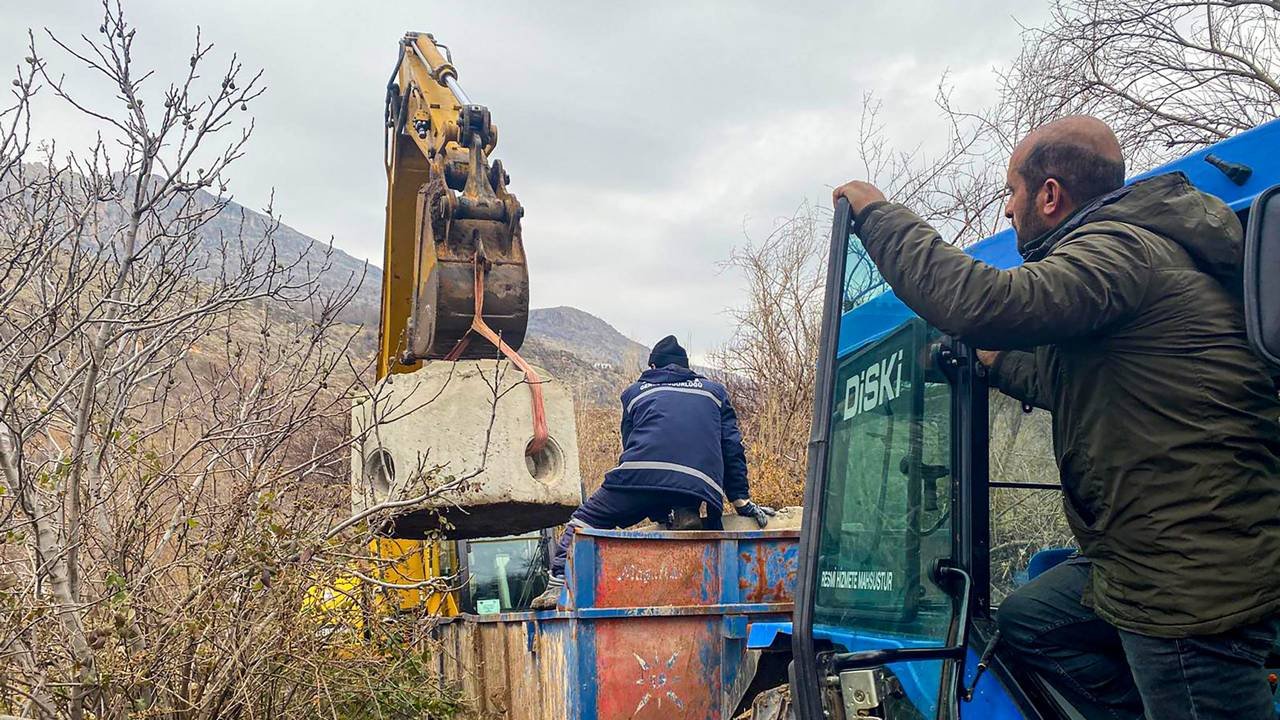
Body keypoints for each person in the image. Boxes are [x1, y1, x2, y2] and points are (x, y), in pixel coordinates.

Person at [833, 116, 1280, 719]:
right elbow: (1065, 377)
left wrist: (877, 214)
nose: (1008, 211)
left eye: (1011, 193)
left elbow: (980, 301)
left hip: (1186, 584)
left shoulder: (1122, 250)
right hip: (1138, 560)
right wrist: (989, 362)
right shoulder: (1136, 274)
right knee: (1030, 620)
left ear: (1049, 195)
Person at [530, 335, 776, 610]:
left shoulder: (635, 393)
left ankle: (557, 584)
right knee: (684, 478)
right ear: (686, 367)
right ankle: (684, 510)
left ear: (653, 366)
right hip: (699, 485)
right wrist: (741, 500)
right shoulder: (714, 392)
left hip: (641, 474)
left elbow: (632, 444)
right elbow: (731, 447)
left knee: (585, 520)